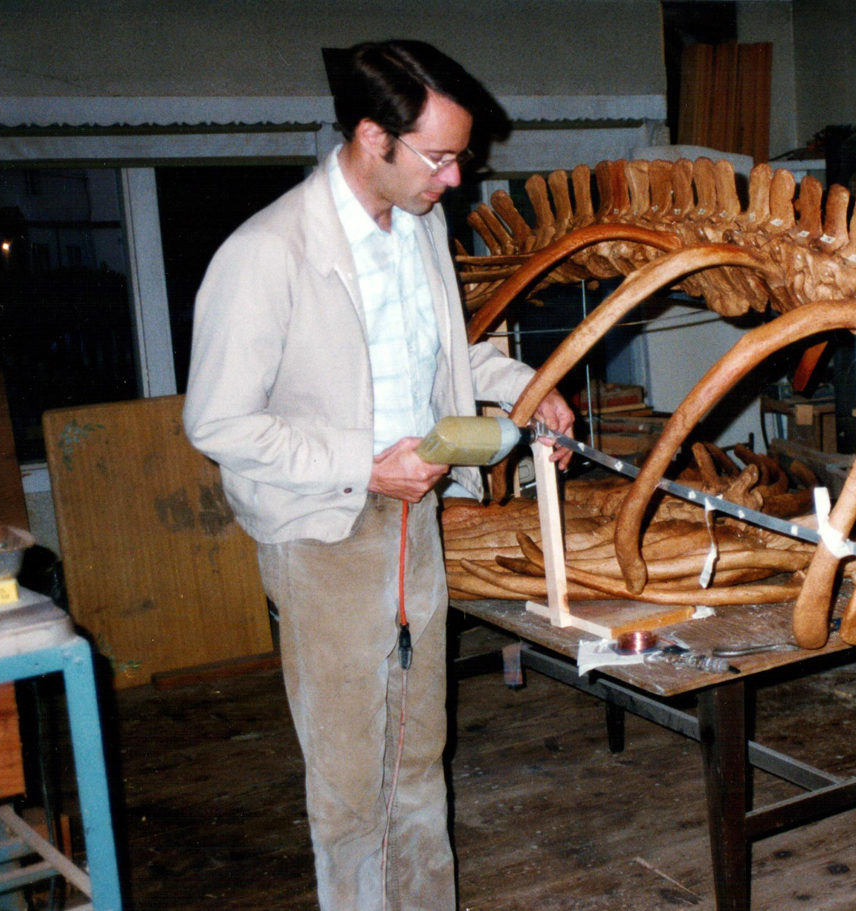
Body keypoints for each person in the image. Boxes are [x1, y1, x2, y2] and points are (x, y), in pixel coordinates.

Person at [182, 39, 572, 911]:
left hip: (414, 520)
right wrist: (362, 466)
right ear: (371, 137)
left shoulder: (421, 230)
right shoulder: (268, 253)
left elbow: (444, 354)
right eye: (441, 156)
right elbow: (217, 421)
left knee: (420, 759)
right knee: (352, 785)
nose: (457, 177)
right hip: (325, 532)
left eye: (461, 155)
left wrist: (526, 390)